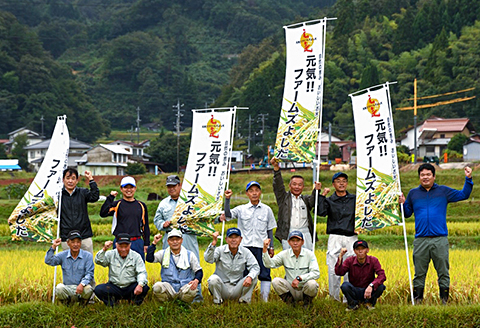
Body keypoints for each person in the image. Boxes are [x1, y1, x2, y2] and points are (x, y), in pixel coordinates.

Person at [399, 164, 473, 304]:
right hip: (420, 240)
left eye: (428, 174)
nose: (425, 177)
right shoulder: (413, 193)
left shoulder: (443, 191)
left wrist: (468, 179)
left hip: (439, 240)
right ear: (419, 177)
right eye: (422, 175)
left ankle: (444, 303)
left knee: (443, 273)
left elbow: (464, 194)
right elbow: (407, 214)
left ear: (434, 176)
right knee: (419, 274)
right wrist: (402, 204)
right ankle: (418, 301)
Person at [222, 181, 277, 301]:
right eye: (251, 191)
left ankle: (264, 299)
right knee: (245, 274)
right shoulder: (241, 209)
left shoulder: (267, 210)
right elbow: (227, 214)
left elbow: (269, 230)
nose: (254, 193)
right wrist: (227, 199)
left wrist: (271, 247)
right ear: (247, 193)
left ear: (260, 192)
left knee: (265, 274)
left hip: (261, 247)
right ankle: (244, 299)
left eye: (256, 190)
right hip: (245, 248)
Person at [153, 174, 203, 302]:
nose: (171, 189)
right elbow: (157, 219)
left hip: (188, 239)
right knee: (170, 267)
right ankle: (170, 297)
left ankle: (196, 298)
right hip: (170, 240)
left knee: (193, 266)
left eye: (174, 186)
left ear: (180, 186)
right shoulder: (163, 203)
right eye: (169, 187)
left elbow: (201, 217)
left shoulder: (190, 201)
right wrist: (162, 224)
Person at [317, 172, 357, 302]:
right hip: (335, 236)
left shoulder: (355, 199)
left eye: (344, 180)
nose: (341, 183)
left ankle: (349, 299)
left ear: (347, 183)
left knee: (351, 268)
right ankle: (334, 298)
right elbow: (321, 212)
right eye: (338, 181)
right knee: (333, 267)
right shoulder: (329, 200)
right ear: (334, 184)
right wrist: (322, 195)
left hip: (351, 237)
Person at [270, 157, 323, 250]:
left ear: (303, 187)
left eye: (299, 185)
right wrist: (276, 169)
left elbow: (313, 201)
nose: (297, 187)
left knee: (307, 260)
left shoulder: (306, 199)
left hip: (305, 233)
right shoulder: (283, 198)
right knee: (289, 260)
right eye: (294, 184)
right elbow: (278, 185)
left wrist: (316, 190)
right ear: (289, 186)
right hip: (288, 232)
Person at [262, 231, 320, 307]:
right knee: (276, 281)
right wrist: (265, 250)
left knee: (312, 284)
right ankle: (291, 304)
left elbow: (316, 273)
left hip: (304, 288)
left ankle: (307, 304)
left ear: (302, 242)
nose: (295, 243)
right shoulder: (284, 254)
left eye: (298, 240)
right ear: (289, 242)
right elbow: (269, 264)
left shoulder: (309, 254)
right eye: (293, 241)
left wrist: (299, 278)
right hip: (291, 289)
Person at [204, 228, 260, 304]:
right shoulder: (220, 250)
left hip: (238, 287)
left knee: (253, 278)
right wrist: (213, 243)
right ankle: (217, 302)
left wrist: (250, 277)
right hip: (222, 287)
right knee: (213, 279)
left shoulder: (245, 252)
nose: (233, 240)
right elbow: (208, 259)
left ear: (240, 239)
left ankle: (244, 301)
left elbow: (255, 267)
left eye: (236, 237)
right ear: (226, 239)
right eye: (231, 237)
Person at [100, 176, 150, 261]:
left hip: (136, 241)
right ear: (121, 189)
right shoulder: (117, 204)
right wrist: (110, 198)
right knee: (118, 270)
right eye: (126, 187)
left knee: (138, 270)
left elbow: (145, 225)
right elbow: (103, 213)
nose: (128, 190)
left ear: (135, 188)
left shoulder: (141, 206)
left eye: (131, 187)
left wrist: (146, 243)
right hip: (120, 242)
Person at [146, 229, 203, 303]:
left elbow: (199, 271)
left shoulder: (190, 255)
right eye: (172, 240)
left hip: (184, 287)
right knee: (157, 287)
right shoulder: (163, 254)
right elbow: (149, 259)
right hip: (168, 287)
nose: (175, 242)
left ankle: (184, 305)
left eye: (177, 239)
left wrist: (196, 280)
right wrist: (154, 243)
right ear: (168, 241)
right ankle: (166, 304)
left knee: (192, 289)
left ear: (181, 240)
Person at [94, 233, 149, 306]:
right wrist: (104, 249)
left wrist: (140, 285)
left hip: (130, 287)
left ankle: (134, 303)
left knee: (144, 288)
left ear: (130, 245)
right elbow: (99, 261)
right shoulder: (111, 254)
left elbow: (141, 272)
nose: (123, 249)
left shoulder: (136, 256)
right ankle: (113, 303)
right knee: (98, 289)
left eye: (126, 246)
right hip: (115, 286)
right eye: (120, 246)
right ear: (116, 245)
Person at [44, 230, 94, 304]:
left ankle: (82, 304)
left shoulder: (87, 256)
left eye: (78, 242)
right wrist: (53, 247)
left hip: (81, 287)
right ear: (68, 243)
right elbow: (48, 261)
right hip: (68, 288)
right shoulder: (62, 255)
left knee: (89, 289)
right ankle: (67, 304)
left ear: (81, 243)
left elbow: (89, 273)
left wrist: (82, 284)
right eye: (73, 242)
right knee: (59, 288)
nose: (75, 244)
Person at [335, 240, 386, 311]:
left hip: (368, 291)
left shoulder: (373, 260)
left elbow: (382, 275)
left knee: (381, 286)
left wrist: (371, 285)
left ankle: (369, 303)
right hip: (355, 290)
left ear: (367, 250)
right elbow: (339, 272)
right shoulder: (350, 260)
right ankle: (353, 304)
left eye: (363, 249)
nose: (360, 251)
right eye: (358, 249)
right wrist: (340, 257)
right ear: (354, 251)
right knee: (345, 285)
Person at [60, 168, 99, 254]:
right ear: (63, 180)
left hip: (84, 235)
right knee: (69, 265)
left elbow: (95, 196)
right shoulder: (58, 196)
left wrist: (91, 179)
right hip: (67, 237)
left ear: (77, 181)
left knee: (87, 264)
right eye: (68, 178)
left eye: (73, 178)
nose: (70, 181)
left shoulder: (83, 192)